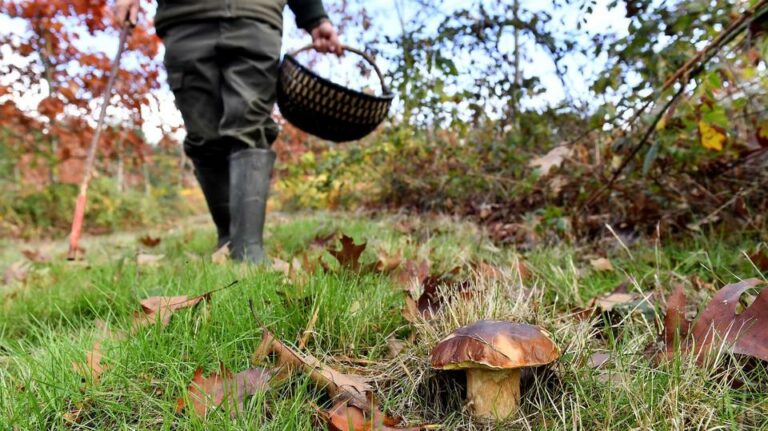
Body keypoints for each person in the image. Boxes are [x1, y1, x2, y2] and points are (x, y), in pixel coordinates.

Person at [113, 0, 342, 263]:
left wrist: (315, 18)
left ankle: (248, 249)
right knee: (203, 136)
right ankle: (228, 238)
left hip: (255, 15)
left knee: (250, 126)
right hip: (183, 19)